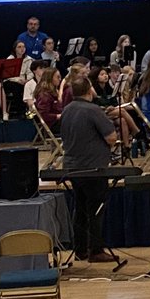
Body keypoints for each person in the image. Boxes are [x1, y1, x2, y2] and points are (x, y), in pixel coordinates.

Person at [60, 74, 118, 263]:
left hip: (73, 168)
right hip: (93, 168)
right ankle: (96, 249)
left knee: (81, 208)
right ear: (88, 90)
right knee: (96, 208)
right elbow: (111, 137)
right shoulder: (93, 110)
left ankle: (80, 249)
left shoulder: (67, 109)